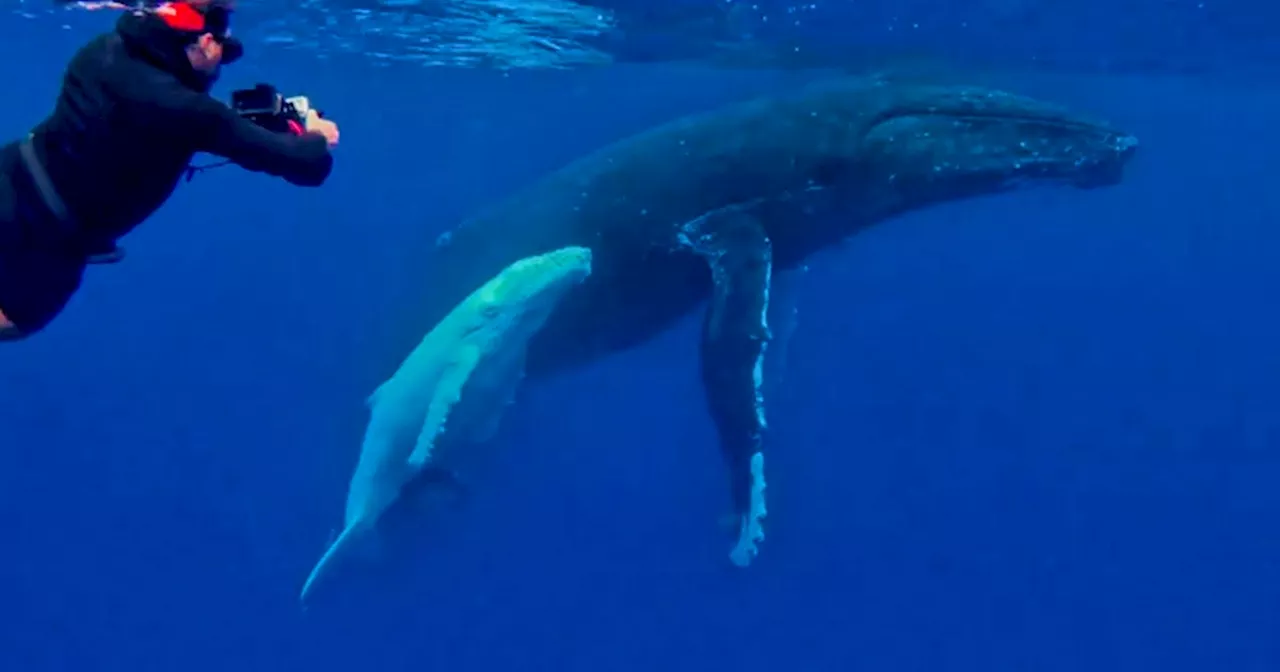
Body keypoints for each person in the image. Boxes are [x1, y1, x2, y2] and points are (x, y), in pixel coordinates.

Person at [0, 0, 340, 341]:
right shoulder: (188, 112)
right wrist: (316, 134)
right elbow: (308, 166)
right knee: (14, 324)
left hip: (13, 174)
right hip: (41, 240)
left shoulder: (101, 52)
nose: (222, 64)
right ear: (207, 43)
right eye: (224, 51)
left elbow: (148, 111)